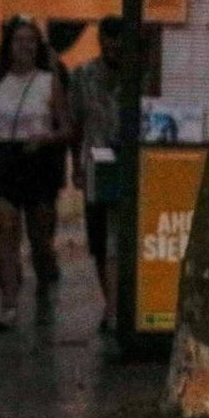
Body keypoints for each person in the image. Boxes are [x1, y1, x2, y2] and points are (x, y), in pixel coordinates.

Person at [0, 17, 70, 331]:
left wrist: (45, 139)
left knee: (40, 237)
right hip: (4, 159)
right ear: (8, 45)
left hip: (38, 161)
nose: (25, 46)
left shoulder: (48, 81)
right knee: (7, 228)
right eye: (19, 39)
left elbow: (65, 127)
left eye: (31, 40)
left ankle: (44, 281)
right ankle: (9, 305)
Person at [69, 16, 127, 332]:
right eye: (108, 41)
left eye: (118, 41)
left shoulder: (140, 72)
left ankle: (117, 308)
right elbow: (75, 125)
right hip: (97, 162)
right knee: (100, 240)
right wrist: (75, 166)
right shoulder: (83, 76)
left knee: (121, 239)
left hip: (131, 163)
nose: (113, 47)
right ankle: (111, 304)